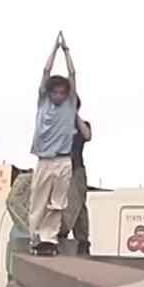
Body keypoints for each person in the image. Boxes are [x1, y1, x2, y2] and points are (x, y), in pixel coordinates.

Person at [28, 31, 77, 254]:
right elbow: (46, 72)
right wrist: (54, 49)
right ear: (49, 93)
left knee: (58, 202)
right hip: (44, 159)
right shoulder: (43, 102)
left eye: (61, 93)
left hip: (63, 159)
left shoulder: (70, 103)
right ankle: (35, 238)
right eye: (55, 92)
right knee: (38, 201)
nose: (58, 96)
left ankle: (50, 239)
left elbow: (72, 73)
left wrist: (66, 51)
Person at [59, 96, 92, 255]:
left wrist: (75, 116)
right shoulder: (59, 124)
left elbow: (87, 136)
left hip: (76, 167)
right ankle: (60, 233)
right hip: (60, 167)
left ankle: (82, 240)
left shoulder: (82, 124)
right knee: (59, 201)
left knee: (79, 204)